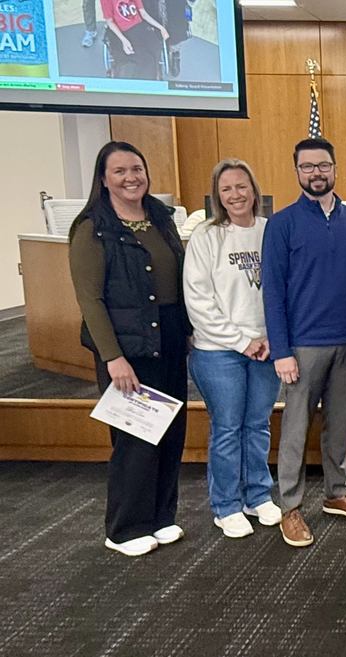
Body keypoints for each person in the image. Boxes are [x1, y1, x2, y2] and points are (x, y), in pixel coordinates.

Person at [68, 141, 189, 557]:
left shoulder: (159, 216)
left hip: (170, 337)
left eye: (136, 168)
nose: (131, 177)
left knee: (171, 431)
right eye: (119, 171)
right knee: (135, 437)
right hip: (126, 345)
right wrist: (112, 357)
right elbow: (90, 299)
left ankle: (160, 517)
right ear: (104, 179)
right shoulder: (92, 227)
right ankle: (124, 528)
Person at [262, 137, 346, 548]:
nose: (317, 172)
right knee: (295, 428)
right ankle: (290, 506)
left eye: (323, 165)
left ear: (335, 168)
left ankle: (336, 491)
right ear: (297, 172)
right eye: (308, 166)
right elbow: (272, 292)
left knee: (340, 422)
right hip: (302, 346)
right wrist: (281, 350)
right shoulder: (282, 224)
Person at [183, 159, 282, 539]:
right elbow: (199, 301)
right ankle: (226, 505)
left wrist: (272, 338)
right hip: (218, 351)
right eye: (227, 189)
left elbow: (283, 290)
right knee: (227, 428)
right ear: (217, 195)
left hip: (266, 348)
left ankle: (257, 495)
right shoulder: (207, 237)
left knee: (257, 425)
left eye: (242, 186)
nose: (236, 194)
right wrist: (243, 341)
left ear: (254, 191)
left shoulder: (270, 231)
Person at [100, 0, 169, 80]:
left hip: (139, 27)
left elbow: (143, 13)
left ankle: (153, 75)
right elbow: (110, 22)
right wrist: (124, 40)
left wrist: (161, 28)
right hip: (121, 32)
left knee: (154, 47)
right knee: (136, 59)